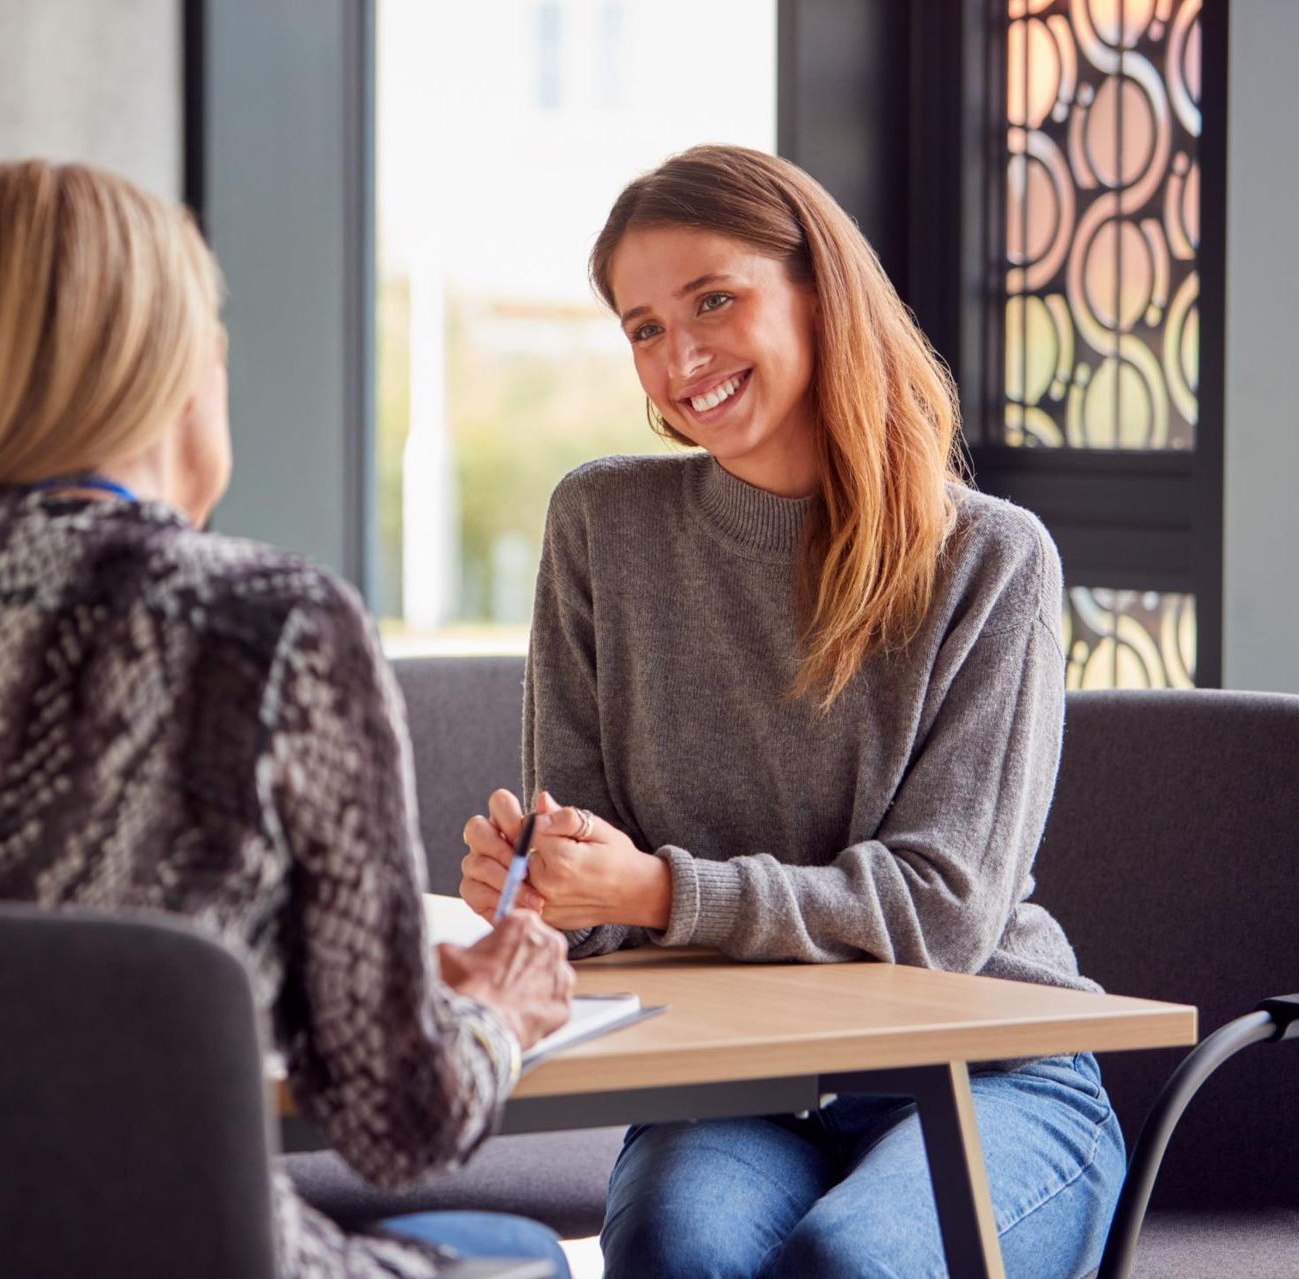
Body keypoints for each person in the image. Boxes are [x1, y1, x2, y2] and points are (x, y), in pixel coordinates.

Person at [0, 159, 575, 1279]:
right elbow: (401, 1122)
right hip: (178, 1250)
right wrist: (501, 1011)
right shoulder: (272, 619)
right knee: (522, 1256)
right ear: (170, 365)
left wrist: (346, 971)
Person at [459, 145, 1126, 1279]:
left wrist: (658, 888)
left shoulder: (988, 559)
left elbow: (943, 914)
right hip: (732, 1084)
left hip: (990, 1068)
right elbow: (601, 899)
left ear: (820, 288)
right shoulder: (601, 527)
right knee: (680, 1249)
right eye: (644, 328)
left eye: (713, 300)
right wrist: (551, 882)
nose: (680, 358)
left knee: (854, 1265)